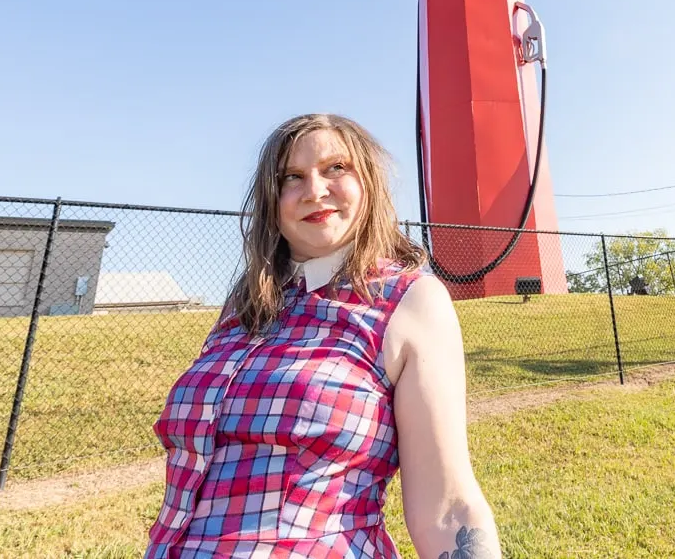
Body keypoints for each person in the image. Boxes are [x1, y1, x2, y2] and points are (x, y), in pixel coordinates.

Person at [146, 113, 501, 558]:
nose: (314, 190)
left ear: (369, 183)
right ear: (272, 200)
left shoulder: (410, 301)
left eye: (336, 168)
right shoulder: (243, 304)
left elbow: (447, 507)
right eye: (292, 176)